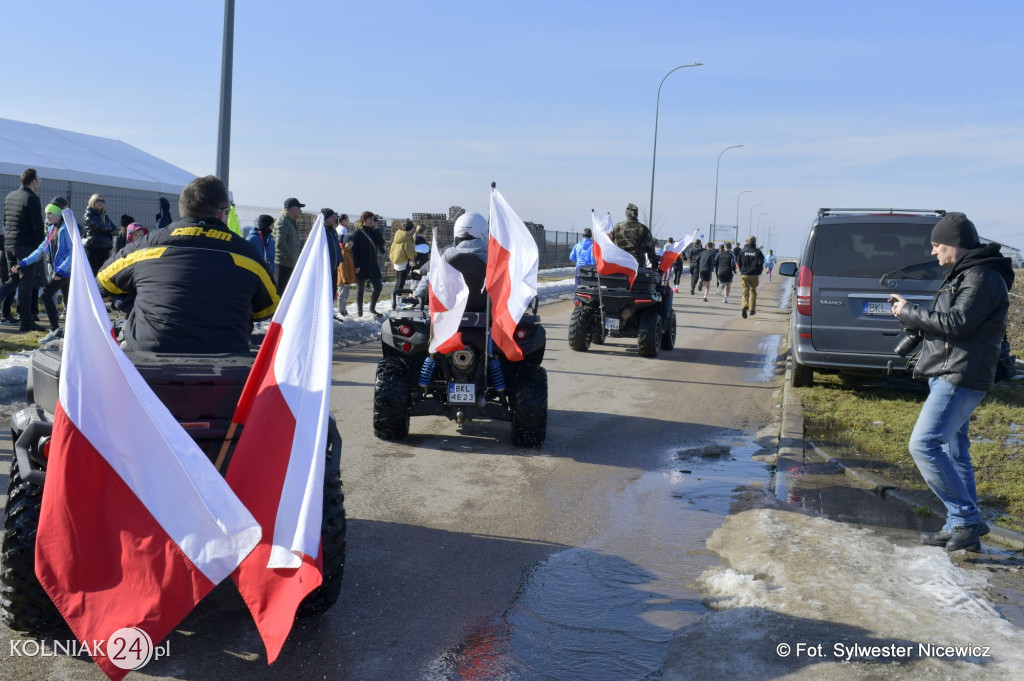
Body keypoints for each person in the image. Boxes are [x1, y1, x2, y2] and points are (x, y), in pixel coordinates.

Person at [889, 213, 1014, 552]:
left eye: (937, 245)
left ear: (955, 245)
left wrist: (910, 312)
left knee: (923, 444)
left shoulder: (983, 276)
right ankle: (960, 525)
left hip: (961, 376)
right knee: (954, 450)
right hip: (949, 371)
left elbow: (959, 322)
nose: (934, 253)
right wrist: (916, 320)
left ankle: (966, 518)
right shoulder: (967, 273)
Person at [96, 175, 279, 353]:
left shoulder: (145, 247)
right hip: (227, 359)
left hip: (150, 361)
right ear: (223, 213)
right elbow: (267, 309)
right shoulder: (247, 254)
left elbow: (101, 283)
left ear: (181, 209)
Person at [9, 196, 72, 331]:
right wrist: (24, 263)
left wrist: (60, 271)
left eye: (50, 213)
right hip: (61, 272)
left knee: (46, 295)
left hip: (64, 272)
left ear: (59, 213)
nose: (47, 216)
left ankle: (55, 329)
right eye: (46, 214)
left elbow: (73, 254)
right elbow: (41, 250)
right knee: (69, 301)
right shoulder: (51, 229)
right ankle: (65, 330)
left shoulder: (66, 230)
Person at [2, 168, 47, 331]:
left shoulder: (9, 196)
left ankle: (25, 318)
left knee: (13, 279)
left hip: (9, 243)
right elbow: (37, 225)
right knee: (26, 282)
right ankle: (26, 320)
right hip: (26, 246)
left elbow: (6, 222)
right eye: (38, 180)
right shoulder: (32, 198)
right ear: (33, 181)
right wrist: (41, 248)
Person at [444, 212, 489, 311]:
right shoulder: (491, 259)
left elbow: (433, 277)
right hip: (484, 313)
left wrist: (418, 293)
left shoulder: (448, 256)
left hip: (451, 313)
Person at [346, 211, 385, 316]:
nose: (372, 221)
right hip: (362, 265)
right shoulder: (357, 233)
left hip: (373, 265)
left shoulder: (373, 231)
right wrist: (356, 265)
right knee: (360, 289)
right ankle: (360, 311)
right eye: (370, 219)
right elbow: (354, 251)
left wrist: (376, 229)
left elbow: (381, 242)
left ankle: (372, 308)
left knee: (378, 286)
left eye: (373, 219)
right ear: (364, 220)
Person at [610, 203, 658, 269]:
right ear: (636, 214)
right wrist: (655, 266)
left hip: (620, 264)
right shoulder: (644, 229)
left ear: (626, 214)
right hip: (637, 267)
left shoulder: (617, 228)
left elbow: (609, 246)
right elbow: (651, 250)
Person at [82, 193, 118, 276]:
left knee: (103, 273)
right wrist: (108, 229)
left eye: (102, 200)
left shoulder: (105, 217)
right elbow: (98, 226)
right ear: (92, 202)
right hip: (93, 248)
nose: (100, 202)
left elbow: (115, 230)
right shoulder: (88, 215)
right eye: (97, 200)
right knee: (92, 273)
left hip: (105, 248)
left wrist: (106, 229)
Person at [274, 197, 304, 294]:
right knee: (281, 295)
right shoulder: (283, 221)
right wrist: (292, 258)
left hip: (290, 265)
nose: (300, 211)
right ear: (292, 209)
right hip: (284, 266)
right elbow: (280, 243)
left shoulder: (290, 222)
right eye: (298, 208)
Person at [389, 218, 417, 307]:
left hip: (397, 261)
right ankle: (397, 299)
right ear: (411, 229)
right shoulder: (407, 239)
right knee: (401, 281)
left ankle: (393, 299)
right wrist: (412, 259)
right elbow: (409, 251)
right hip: (403, 261)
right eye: (413, 228)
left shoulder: (398, 236)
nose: (413, 230)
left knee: (398, 281)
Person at [737, 235, 765, 319]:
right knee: (753, 291)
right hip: (754, 275)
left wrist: (741, 270)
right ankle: (752, 309)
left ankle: (745, 305)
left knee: (745, 291)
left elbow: (738, 262)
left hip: (745, 274)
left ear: (747, 242)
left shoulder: (742, 251)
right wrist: (759, 272)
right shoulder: (758, 252)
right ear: (755, 242)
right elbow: (760, 263)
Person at [321, 209, 343, 306]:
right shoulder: (321, 231)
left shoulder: (333, 231)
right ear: (326, 218)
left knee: (333, 291)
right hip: (325, 268)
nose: (334, 218)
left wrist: (339, 259)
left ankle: (330, 312)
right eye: (332, 216)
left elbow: (337, 246)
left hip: (334, 266)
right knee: (325, 291)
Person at [337, 226, 357, 317]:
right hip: (343, 280)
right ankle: (340, 311)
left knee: (345, 296)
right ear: (344, 243)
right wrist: (345, 279)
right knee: (342, 296)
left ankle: (343, 310)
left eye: (351, 242)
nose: (350, 243)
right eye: (348, 242)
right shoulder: (344, 253)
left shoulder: (349, 253)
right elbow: (342, 268)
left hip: (347, 279)